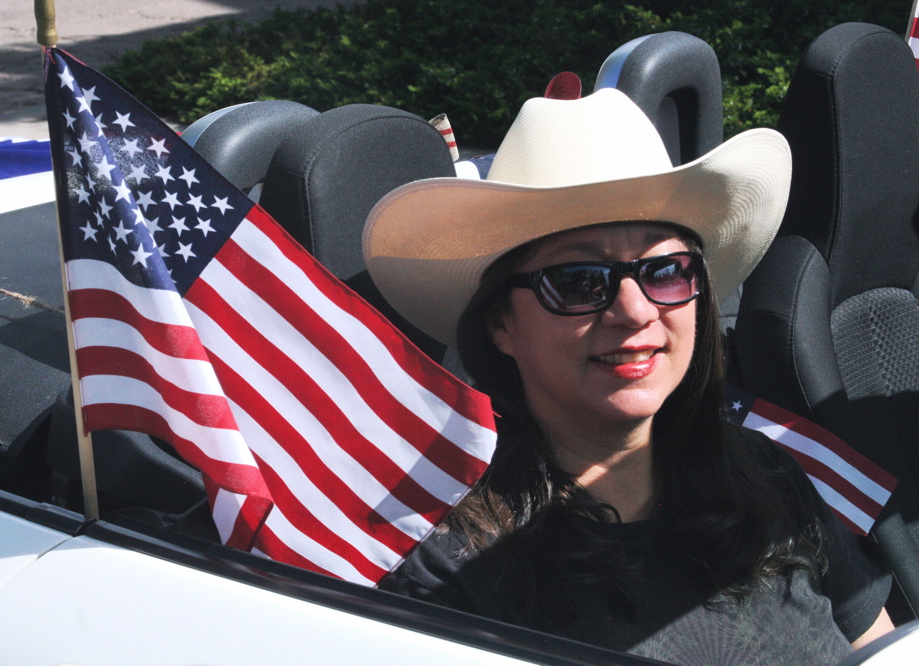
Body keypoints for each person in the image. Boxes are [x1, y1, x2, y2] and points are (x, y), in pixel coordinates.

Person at [362, 88, 893, 664]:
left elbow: (883, 648)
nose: (636, 311)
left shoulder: (767, 474)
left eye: (666, 271)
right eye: (580, 282)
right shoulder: (451, 567)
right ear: (500, 324)